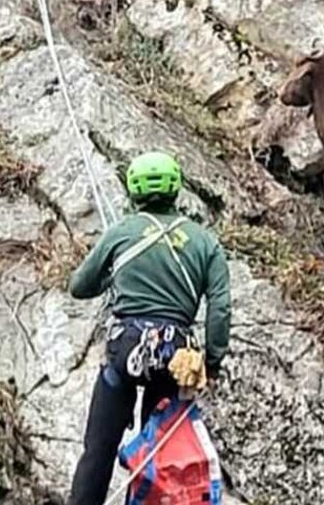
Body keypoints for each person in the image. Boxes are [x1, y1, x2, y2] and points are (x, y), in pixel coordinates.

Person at [66, 151, 231, 505]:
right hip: (176, 358)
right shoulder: (205, 241)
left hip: (125, 351)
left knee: (98, 449)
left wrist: (113, 276)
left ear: (133, 190)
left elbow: (80, 286)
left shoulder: (122, 232)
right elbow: (220, 309)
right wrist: (213, 362)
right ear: (177, 189)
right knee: (161, 454)